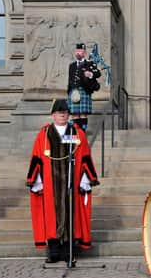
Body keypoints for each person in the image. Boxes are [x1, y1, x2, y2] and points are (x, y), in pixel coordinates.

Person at [26, 99, 99, 264]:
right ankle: (53, 251)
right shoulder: (44, 134)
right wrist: (36, 180)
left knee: (71, 215)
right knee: (51, 217)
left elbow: (85, 155)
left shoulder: (77, 132)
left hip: (70, 182)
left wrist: (85, 178)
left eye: (65, 113)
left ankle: (68, 251)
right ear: (53, 115)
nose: (62, 115)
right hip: (51, 183)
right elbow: (37, 157)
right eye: (59, 113)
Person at [67, 43, 101, 131]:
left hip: (84, 91)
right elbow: (69, 80)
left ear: (84, 53)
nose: (78, 53)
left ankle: (82, 132)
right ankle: (75, 132)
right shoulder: (72, 65)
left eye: (80, 51)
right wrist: (69, 92)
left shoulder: (90, 64)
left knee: (83, 114)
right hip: (73, 92)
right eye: (77, 51)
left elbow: (98, 73)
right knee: (74, 114)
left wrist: (90, 74)